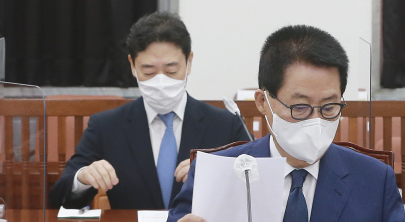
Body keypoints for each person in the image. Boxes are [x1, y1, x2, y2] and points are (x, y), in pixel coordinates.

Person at [140, 25, 405, 222]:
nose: (316, 120)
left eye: (329, 107)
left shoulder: (373, 179)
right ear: (263, 102)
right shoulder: (218, 171)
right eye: (300, 107)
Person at [48, 12, 252, 210]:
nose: (161, 81)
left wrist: (217, 173)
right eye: (149, 71)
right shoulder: (106, 127)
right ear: (132, 65)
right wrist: (83, 178)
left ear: (189, 62)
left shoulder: (225, 124)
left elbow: (259, 180)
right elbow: (59, 198)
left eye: (171, 71)